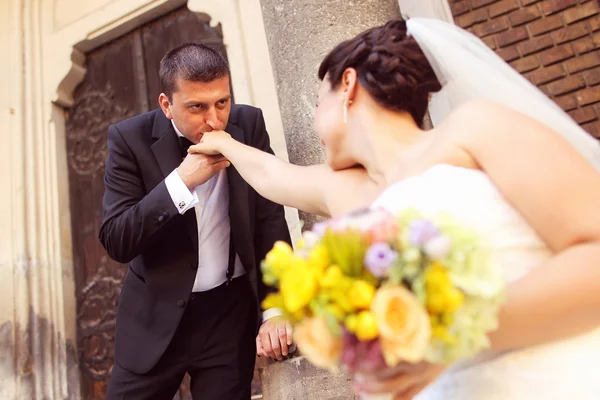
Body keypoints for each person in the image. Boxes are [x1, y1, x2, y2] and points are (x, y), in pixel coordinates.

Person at [188, 19, 600, 399]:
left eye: (317, 103)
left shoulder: (473, 129)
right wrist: (220, 140)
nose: (314, 122)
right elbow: (270, 174)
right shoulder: (346, 189)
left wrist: (446, 337)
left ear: (347, 85)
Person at [99, 43, 293, 400]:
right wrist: (180, 182)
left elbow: (269, 220)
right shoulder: (129, 139)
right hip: (153, 318)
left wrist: (277, 308)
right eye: (197, 107)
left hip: (228, 316)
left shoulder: (248, 124)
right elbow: (117, 239)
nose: (214, 120)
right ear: (166, 105)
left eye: (222, 102)